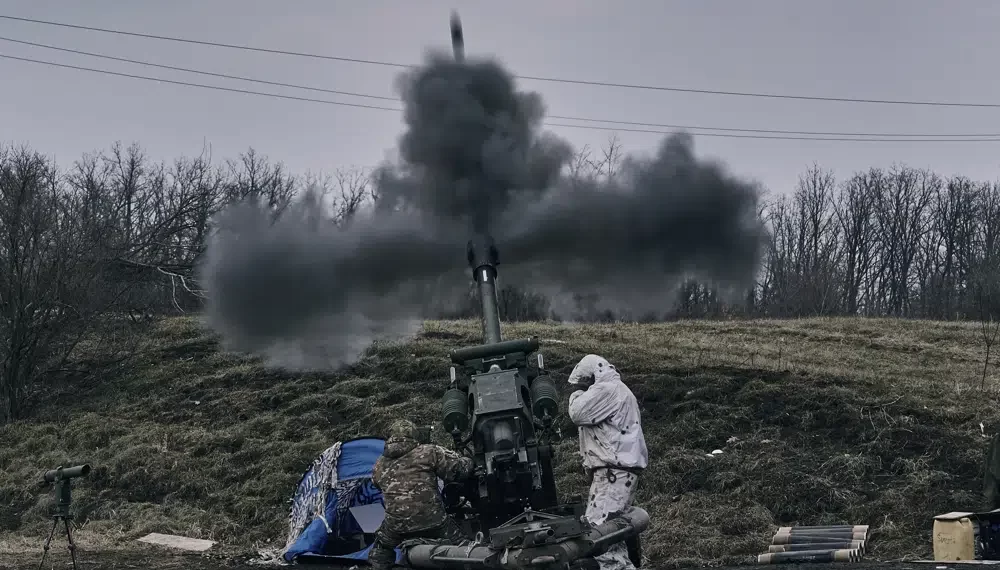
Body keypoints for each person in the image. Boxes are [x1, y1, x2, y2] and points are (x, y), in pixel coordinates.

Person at [567, 354, 648, 570]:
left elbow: (577, 413)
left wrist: (576, 392)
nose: (581, 387)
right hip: (618, 475)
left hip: (613, 476)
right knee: (613, 540)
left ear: (591, 377)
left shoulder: (607, 390)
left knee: (600, 540)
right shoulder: (618, 389)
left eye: (583, 382)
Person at [368, 419, 474, 570]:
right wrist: (469, 460)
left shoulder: (379, 463)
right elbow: (458, 470)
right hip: (434, 520)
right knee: (463, 543)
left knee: (381, 547)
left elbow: (376, 483)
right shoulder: (429, 451)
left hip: (396, 525)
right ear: (414, 434)